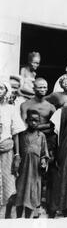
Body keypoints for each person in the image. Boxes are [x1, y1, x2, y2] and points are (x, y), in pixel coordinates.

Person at [20, 78, 57, 217]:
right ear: (34, 88)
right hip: (29, 142)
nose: (42, 90)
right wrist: (43, 127)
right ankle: (25, 205)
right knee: (28, 174)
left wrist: (40, 129)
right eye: (40, 87)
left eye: (45, 87)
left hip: (46, 142)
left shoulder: (50, 107)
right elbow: (24, 125)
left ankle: (41, 206)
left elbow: (53, 127)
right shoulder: (25, 105)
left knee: (44, 174)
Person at [15, 109, 49, 218]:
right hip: (23, 169)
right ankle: (19, 218)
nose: (33, 123)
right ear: (26, 121)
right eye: (31, 120)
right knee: (21, 193)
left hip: (35, 170)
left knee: (33, 193)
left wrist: (43, 161)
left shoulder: (41, 136)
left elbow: (44, 153)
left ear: (39, 121)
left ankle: (30, 219)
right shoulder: (21, 135)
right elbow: (17, 152)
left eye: (36, 120)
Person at [0, 79, 25, 218]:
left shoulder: (11, 109)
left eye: (1, 88)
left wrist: (17, 154)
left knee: (8, 183)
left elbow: (16, 133)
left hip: (6, 151)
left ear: (6, 91)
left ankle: (5, 216)